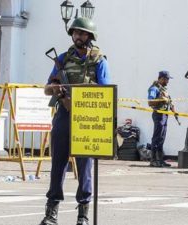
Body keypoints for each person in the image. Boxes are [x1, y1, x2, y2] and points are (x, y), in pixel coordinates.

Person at [40, 17, 110, 225]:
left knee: (85, 167)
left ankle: (83, 214)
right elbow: (46, 88)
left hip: (88, 118)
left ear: (90, 36)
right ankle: (51, 213)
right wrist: (57, 89)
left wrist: (81, 93)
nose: (78, 36)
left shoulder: (99, 60)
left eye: (82, 33)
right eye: (75, 33)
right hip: (63, 115)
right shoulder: (62, 60)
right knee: (58, 164)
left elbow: (106, 90)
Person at [147, 71, 176, 167]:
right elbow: (150, 102)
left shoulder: (163, 89)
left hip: (164, 115)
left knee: (162, 138)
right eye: (166, 79)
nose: (168, 81)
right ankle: (153, 160)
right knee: (156, 137)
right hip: (158, 115)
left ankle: (160, 160)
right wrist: (161, 99)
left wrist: (173, 109)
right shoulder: (154, 89)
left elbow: (169, 101)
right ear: (161, 78)